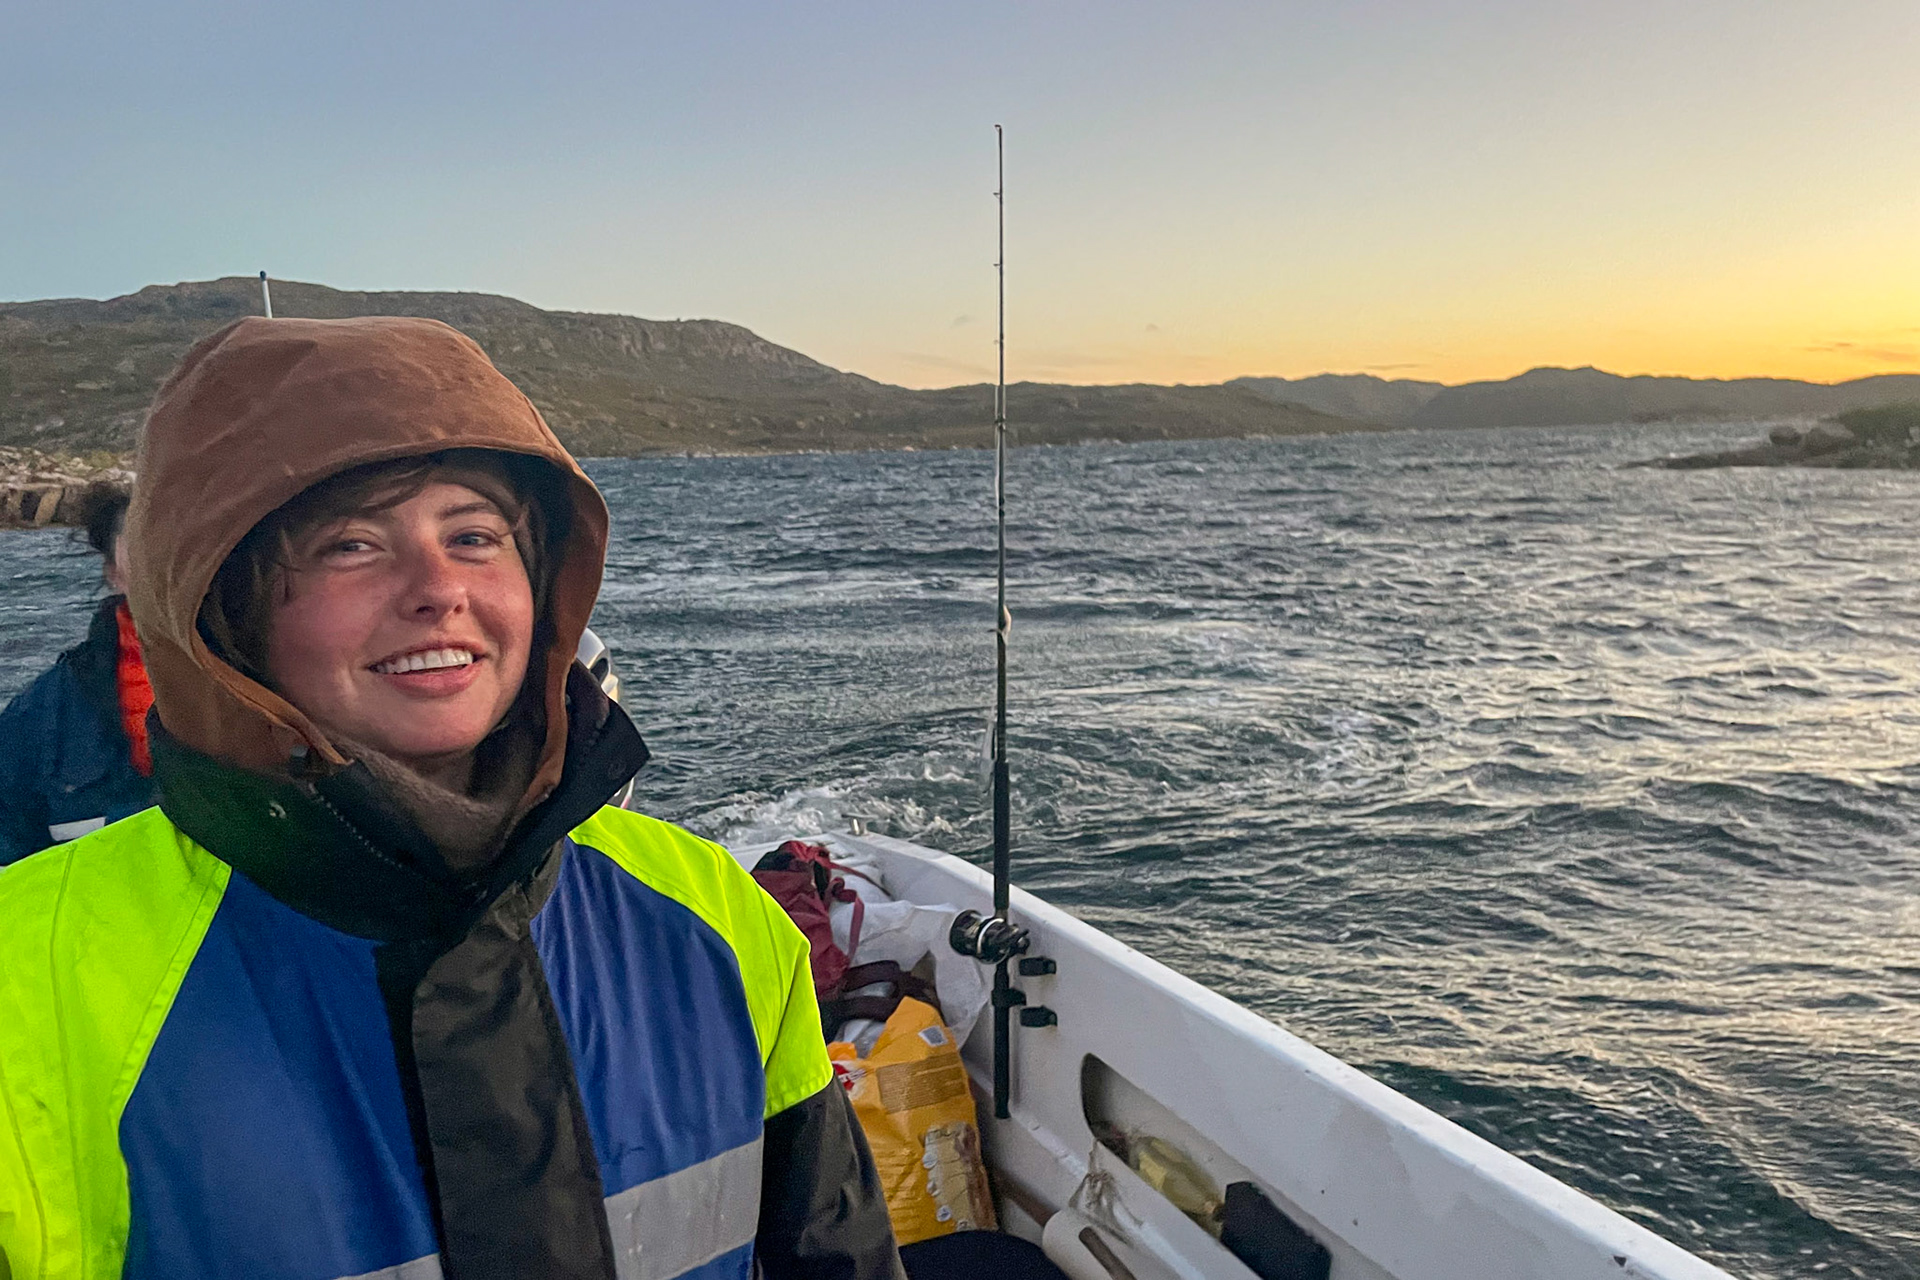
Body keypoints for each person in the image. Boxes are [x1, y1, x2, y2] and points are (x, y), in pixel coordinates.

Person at [0, 317, 905, 1280]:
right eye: (350, 545)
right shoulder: (30, 978)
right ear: (226, 605)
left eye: (474, 535)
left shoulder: (717, 914)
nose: (439, 588)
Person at [0, 481, 158, 865]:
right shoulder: (40, 718)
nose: (165, 557)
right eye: (143, 540)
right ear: (113, 572)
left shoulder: (290, 687)